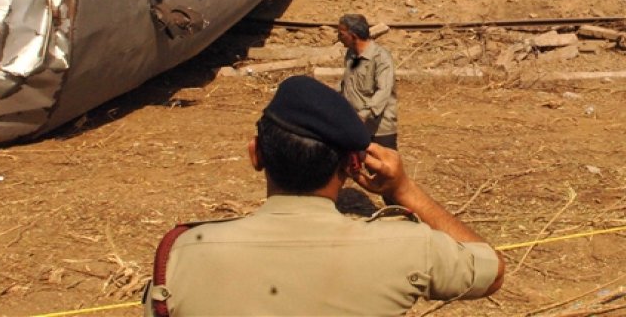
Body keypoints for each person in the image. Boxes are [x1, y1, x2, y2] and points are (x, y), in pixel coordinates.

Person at [144, 76, 504, 316]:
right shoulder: (408, 247)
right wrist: (404, 190)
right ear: (351, 167)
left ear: (256, 155)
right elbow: (491, 271)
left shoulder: (180, 255)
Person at [337, 14, 398, 151]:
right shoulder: (351, 55)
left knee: (383, 170)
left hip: (379, 130)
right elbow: (347, 84)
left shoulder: (381, 58)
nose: (339, 39)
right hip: (355, 126)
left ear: (353, 36)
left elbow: (383, 91)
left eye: (341, 34)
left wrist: (363, 114)